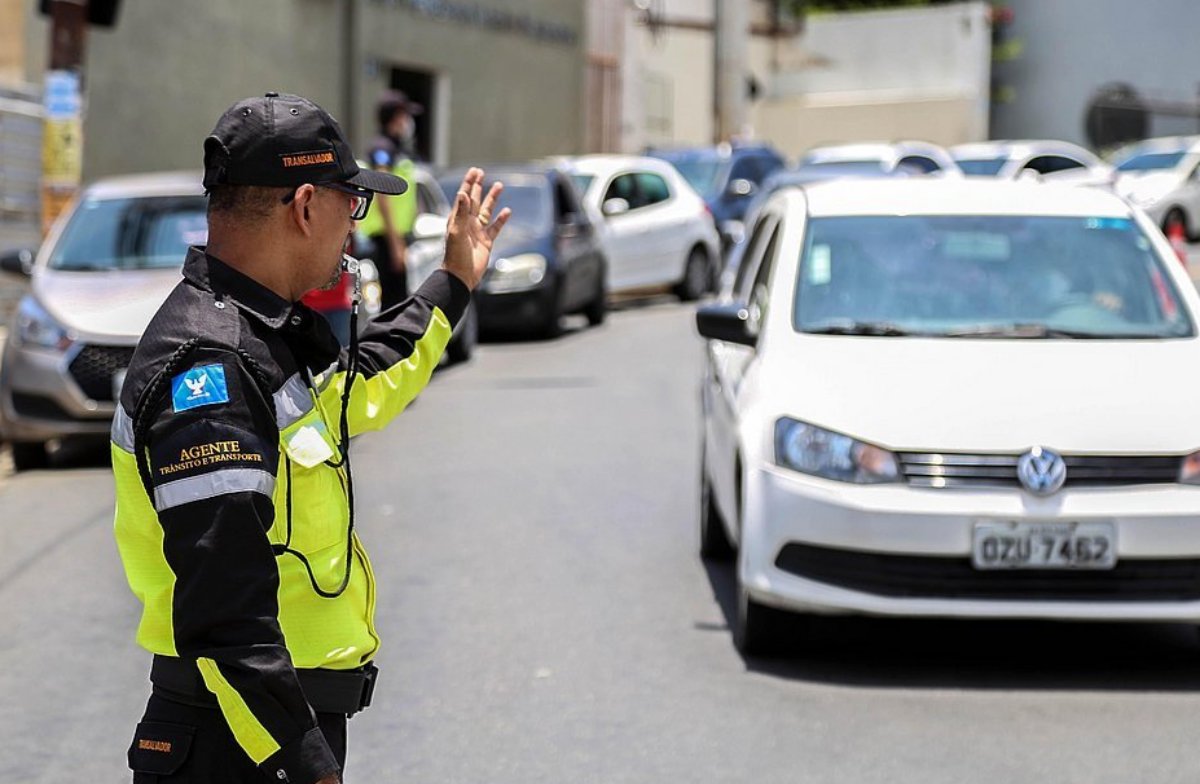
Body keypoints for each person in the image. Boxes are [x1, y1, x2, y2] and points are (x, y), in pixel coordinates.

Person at [111, 92, 509, 784]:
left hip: (266, 734)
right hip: (242, 746)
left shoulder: (258, 338)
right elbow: (225, 618)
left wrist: (454, 282)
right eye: (348, 205)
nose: (352, 229)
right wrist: (310, 769)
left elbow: (367, 382)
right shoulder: (211, 366)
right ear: (303, 206)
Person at [359, 90, 423, 308]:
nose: (408, 121)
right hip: (385, 239)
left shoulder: (396, 148)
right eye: (405, 115)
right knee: (392, 305)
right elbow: (382, 194)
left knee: (399, 300)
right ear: (396, 117)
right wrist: (396, 244)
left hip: (395, 237)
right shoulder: (382, 148)